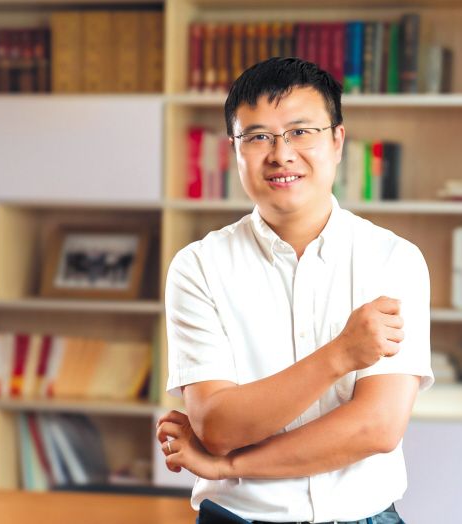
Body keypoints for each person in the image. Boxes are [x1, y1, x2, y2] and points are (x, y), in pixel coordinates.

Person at [156, 57, 433, 524]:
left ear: (338, 141)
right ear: (234, 149)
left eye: (301, 132)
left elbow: (376, 427)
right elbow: (218, 426)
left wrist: (229, 466)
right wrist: (342, 354)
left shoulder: (393, 259)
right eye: (258, 137)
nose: (281, 154)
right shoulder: (198, 267)